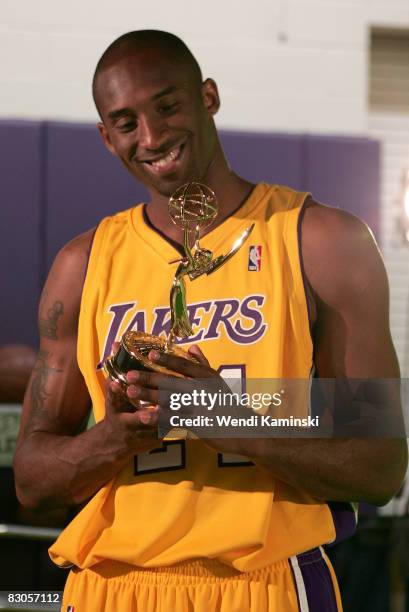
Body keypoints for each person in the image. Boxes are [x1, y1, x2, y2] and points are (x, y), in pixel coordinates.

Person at [13, 30, 407, 611]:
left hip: (264, 583)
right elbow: (31, 482)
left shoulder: (318, 240)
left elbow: (380, 467)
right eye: (126, 123)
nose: (151, 136)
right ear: (106, 137)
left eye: (167, 106)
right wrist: (115, 437)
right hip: (110, 588)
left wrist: (228, 419)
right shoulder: (83, 264)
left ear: (209, 97)